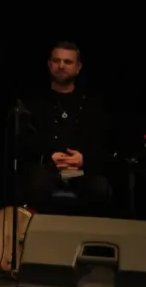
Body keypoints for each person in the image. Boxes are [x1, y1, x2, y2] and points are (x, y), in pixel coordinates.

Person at [21, 41, 113, 215]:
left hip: (80, 171)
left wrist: (83, 159)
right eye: (56, 61)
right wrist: (48, 157)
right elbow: (25, 144)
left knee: (99, 188)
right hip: (48, 170)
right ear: (49, 64)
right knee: (35, 184)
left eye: (68, 62)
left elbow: (104, 146)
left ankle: (83, 231)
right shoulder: (32, 104)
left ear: (78, 67)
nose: (61, 66)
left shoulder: (93, 105)